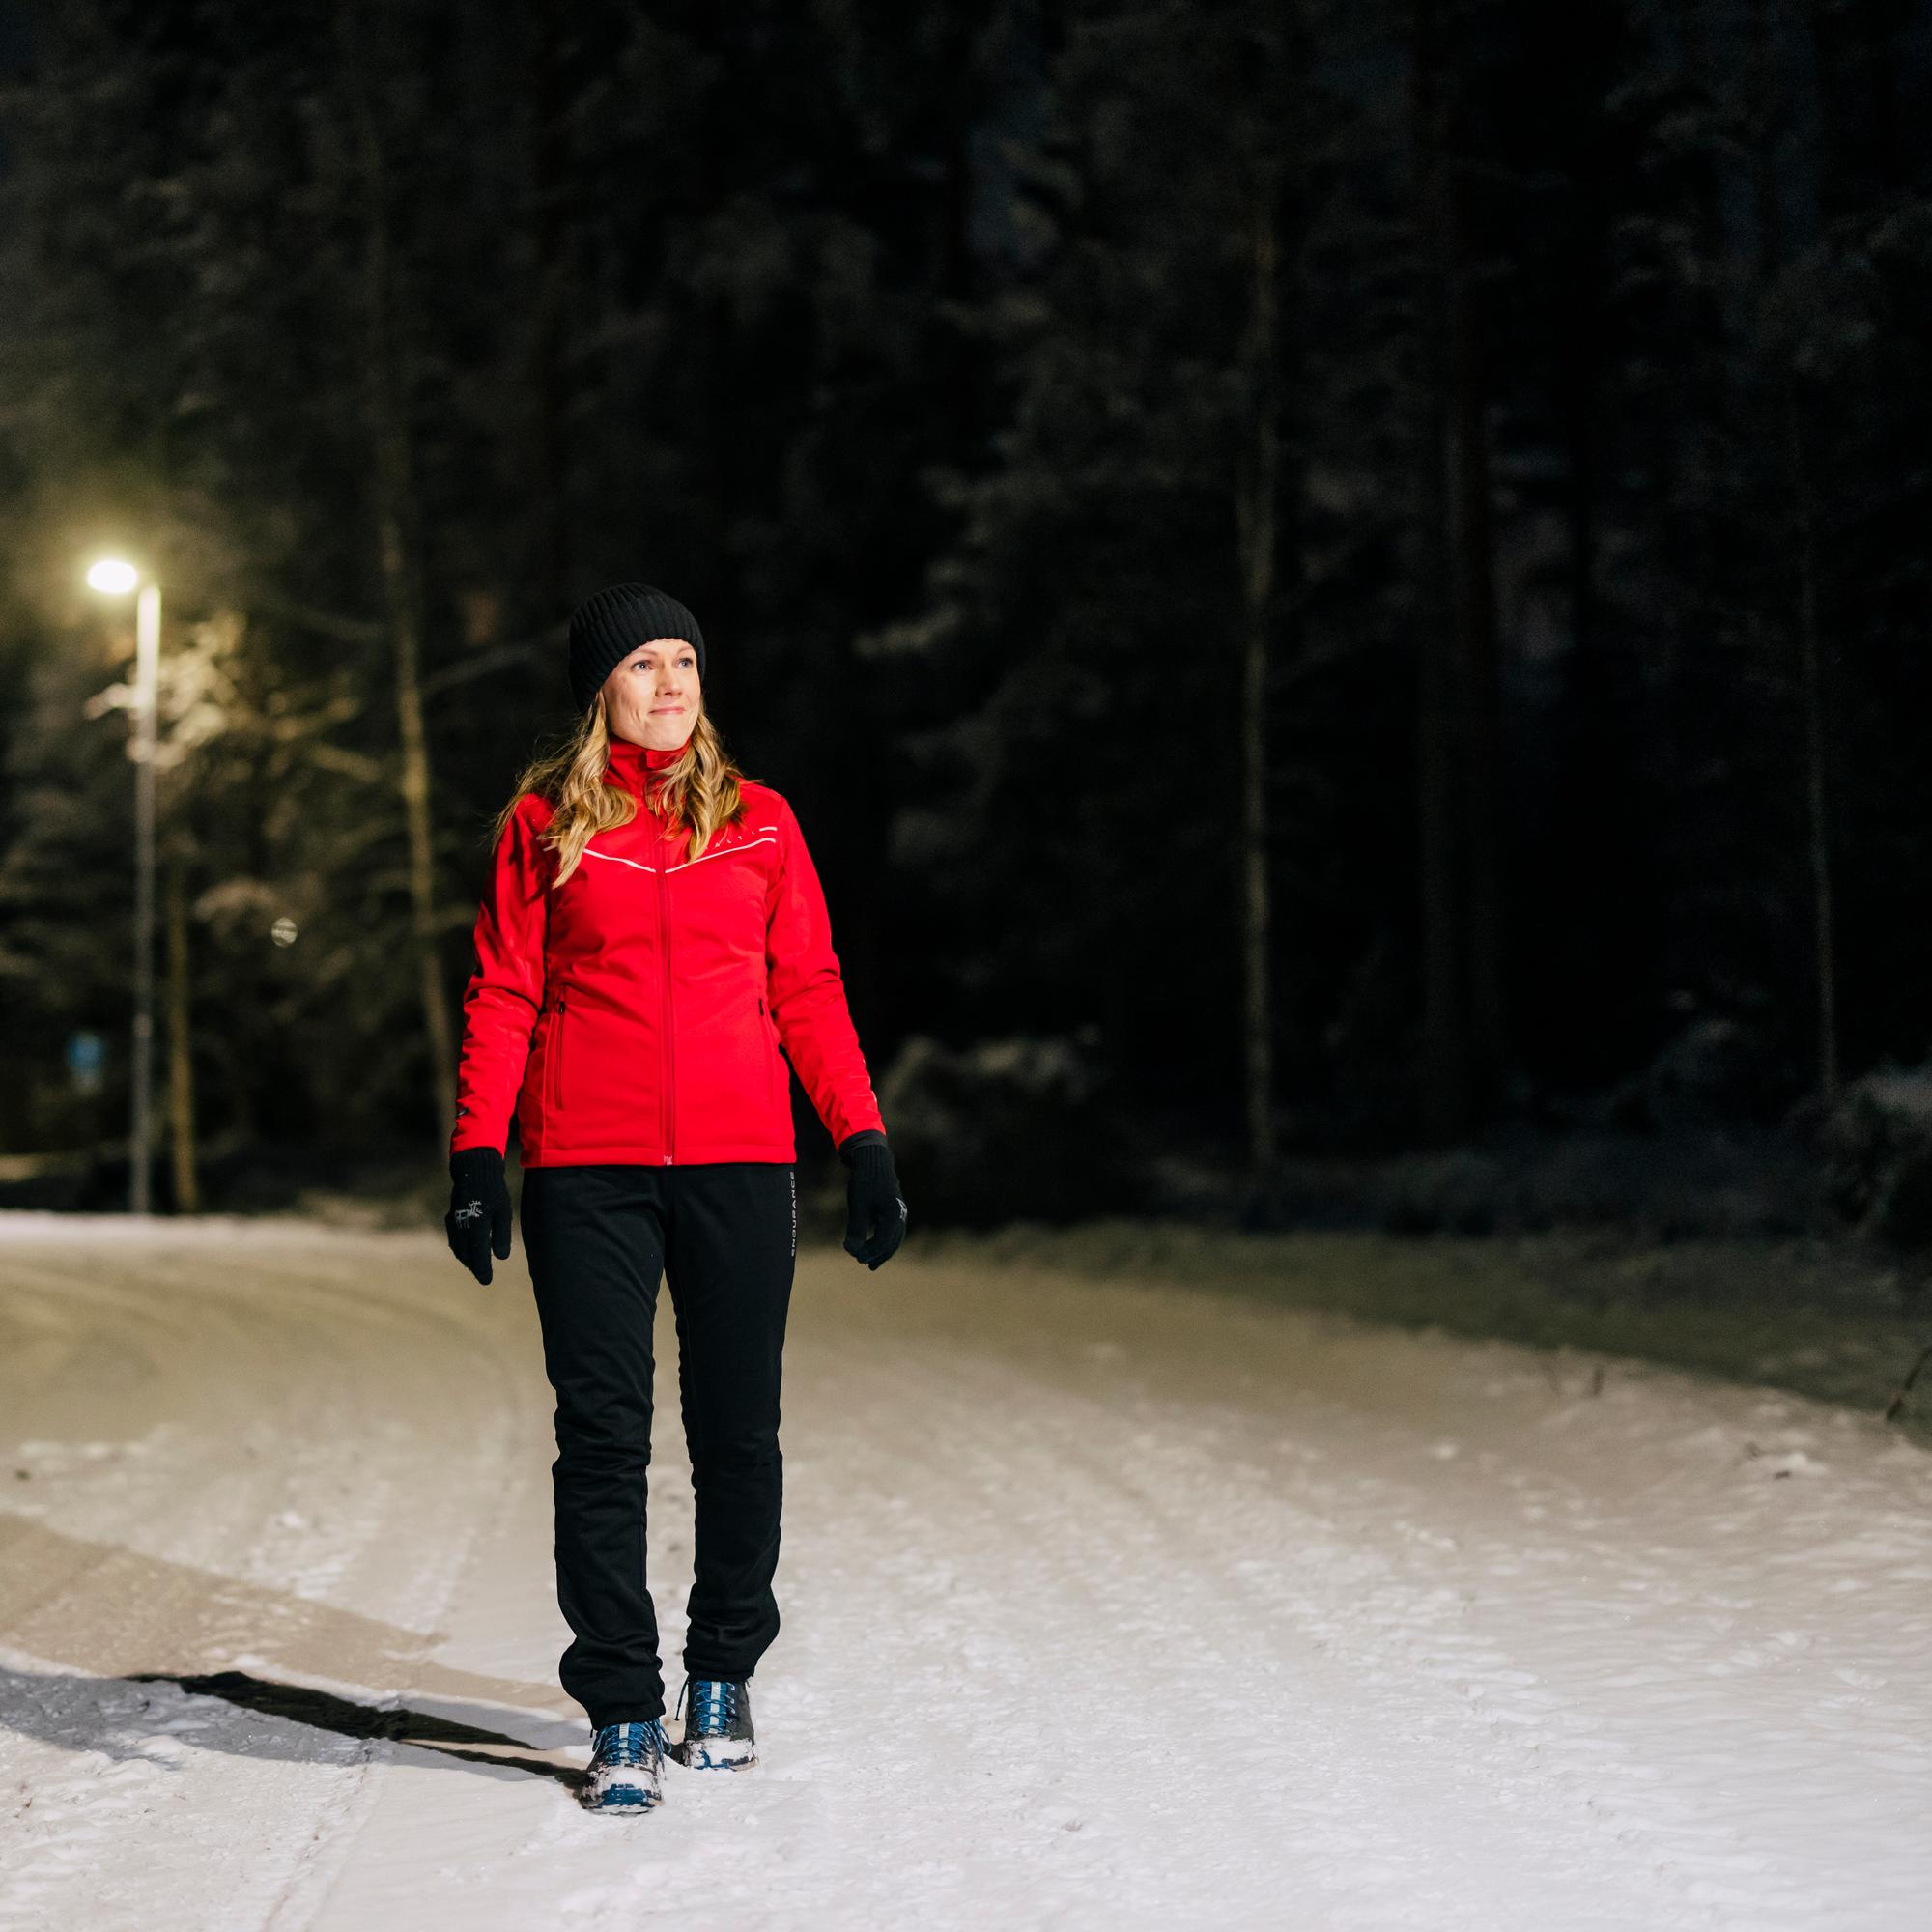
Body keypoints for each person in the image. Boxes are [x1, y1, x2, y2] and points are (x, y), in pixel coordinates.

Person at [441, 582, 907, 1815]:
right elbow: (503, 992)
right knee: (601, 1439)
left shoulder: (759, 824)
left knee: (736, 1434)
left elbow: (805, 988)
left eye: (683, 661)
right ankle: (620, 1707)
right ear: (601, 690)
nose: (668, 681)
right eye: (642, 663)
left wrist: (860, 1138)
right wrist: (478, 1154)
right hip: (584, 1169)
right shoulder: (545, 824)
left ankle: (719, 1673)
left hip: (739, 1164)